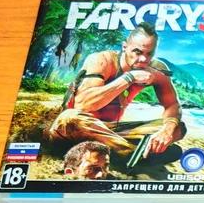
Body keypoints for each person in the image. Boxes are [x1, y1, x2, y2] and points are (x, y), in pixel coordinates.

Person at [47, 22, 186, 168]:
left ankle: (122, 150)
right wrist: (129, 78)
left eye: (149, 54)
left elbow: (172, 104)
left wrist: (167, 131)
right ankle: (132, 154)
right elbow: (83, 105)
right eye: (137, 52)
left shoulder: (157, 70)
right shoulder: (102, 60)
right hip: (75, 129)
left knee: (178, 127)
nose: (143, 59)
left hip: (110, 132)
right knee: (69, 118)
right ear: (124, 46)